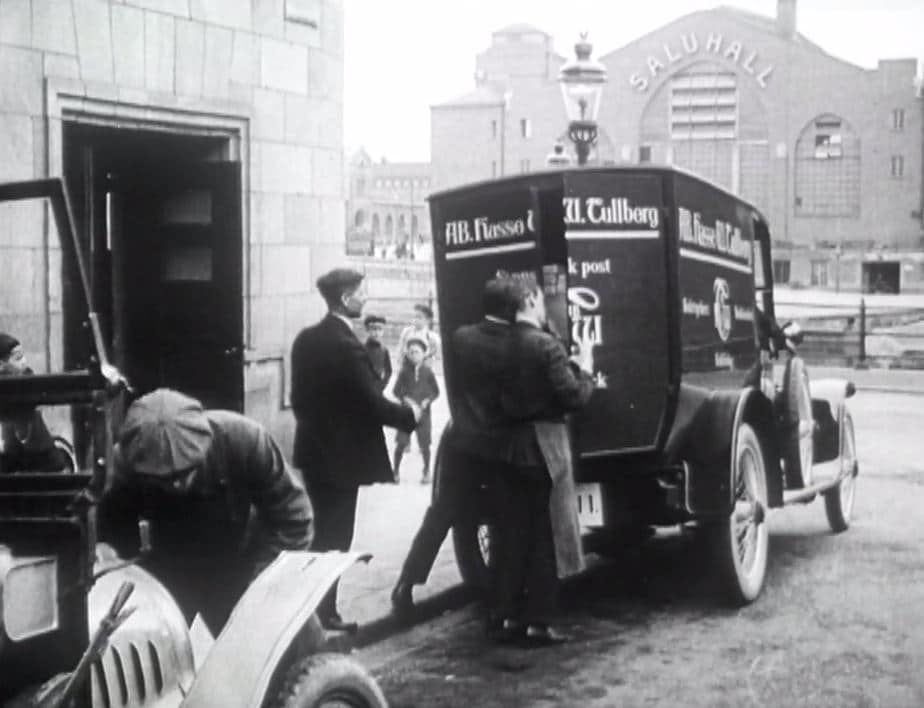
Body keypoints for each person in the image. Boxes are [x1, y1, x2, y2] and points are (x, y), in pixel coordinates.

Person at [97, 388, 314, 634]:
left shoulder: (243, 439)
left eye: (185, 473)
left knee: (291, 644)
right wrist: (116, 560)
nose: (177, 485)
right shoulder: (123, 466)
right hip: (171, 570)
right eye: (165, 480)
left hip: (244, 561)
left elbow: (293, 517)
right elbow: (108, 535)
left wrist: (264, 582)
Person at [291, 267, 419, 633]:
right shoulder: (348, 346)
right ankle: (324, 614)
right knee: (336, 537)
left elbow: (298, 400)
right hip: (342, 458)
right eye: (360, 293)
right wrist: (409, 415)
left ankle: (308, 611)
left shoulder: (305, 340)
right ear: (346, 299)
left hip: (313, 453)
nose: (365, 298)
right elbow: (371, 403)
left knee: (320, 532)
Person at [390, 277, 517, 617]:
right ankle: (503, 599)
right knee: (507, 516)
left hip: (461, 438)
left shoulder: (462, 338)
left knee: (441, 513)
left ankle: (406, 583)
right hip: (499, 442)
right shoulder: (517, 342)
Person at [494, 278, 595, 646]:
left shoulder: (498, 342)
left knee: (514, 535)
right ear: (530, 299)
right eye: (540, 299)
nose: (544, 306)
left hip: (509, 445)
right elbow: (573, 397)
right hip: (545, 445)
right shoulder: (546, 345)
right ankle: (539, 621)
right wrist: (585, 367)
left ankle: (508, 616)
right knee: (547, 535)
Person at [0, 332, 69, 473]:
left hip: (40, 459)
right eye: (18, 358)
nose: (24, 362)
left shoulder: (29, 386)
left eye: (22, 356)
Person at [392, 338, 440, 483]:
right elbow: (396, 391)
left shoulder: (428, 372)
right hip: (407, 413)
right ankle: (395, 471)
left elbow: (436, 392)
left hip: (424, 414)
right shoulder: (404, 372)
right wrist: (407, 400)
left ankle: (426, 471)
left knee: (425, 444)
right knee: (401, 443)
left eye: (417, 352)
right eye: (411, 352)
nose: (414, 355)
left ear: (424, 354)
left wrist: (427, 400)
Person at [363, 314, 392, 392]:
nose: (377, 333)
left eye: (380, 329)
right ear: (367, 330)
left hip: (377, 389)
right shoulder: (361, 349)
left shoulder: (384, 350)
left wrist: (382, 385)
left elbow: (388, 371)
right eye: (374, 329)